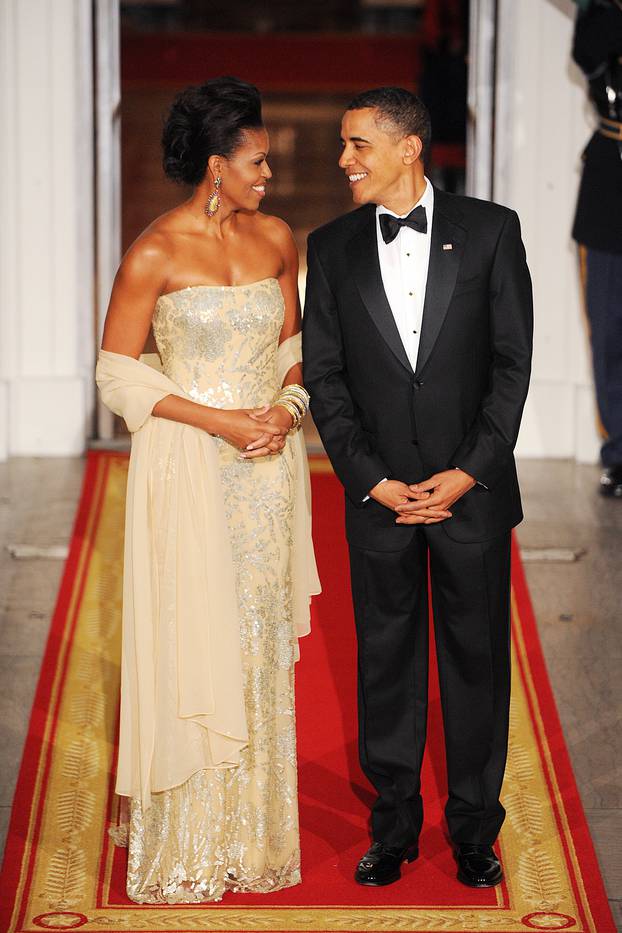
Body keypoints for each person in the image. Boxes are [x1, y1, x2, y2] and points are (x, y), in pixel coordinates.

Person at [96, 76, 320, 903]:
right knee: (194, 639)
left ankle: (252, 836)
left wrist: (290, 407)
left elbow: (296, 343)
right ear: (217, 165)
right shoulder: (154, 250)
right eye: (258, 160)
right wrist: (220, 422)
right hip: (190, 468)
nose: (270, 174)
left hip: (268, 474)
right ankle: (189, 837)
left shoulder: (276, 238)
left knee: (256, 638)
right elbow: (116, 374)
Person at [302, 87, 532, 889]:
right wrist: (375, 482)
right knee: (385, 666)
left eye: (357, 143)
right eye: (343, 143)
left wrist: (467, 473)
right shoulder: (329, 248)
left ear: (408, 147)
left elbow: (511, 368)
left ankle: (474, 829)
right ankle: (393, 827)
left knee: (476, 665)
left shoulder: (493, 232)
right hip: (381, 502)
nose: (343, 160)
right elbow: (325, 382)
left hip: (471, 495)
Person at [571, 0, 622, 496]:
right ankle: (620, 452)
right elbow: (589, 53)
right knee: (609, 333)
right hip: (611, 181)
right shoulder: (603, 13)